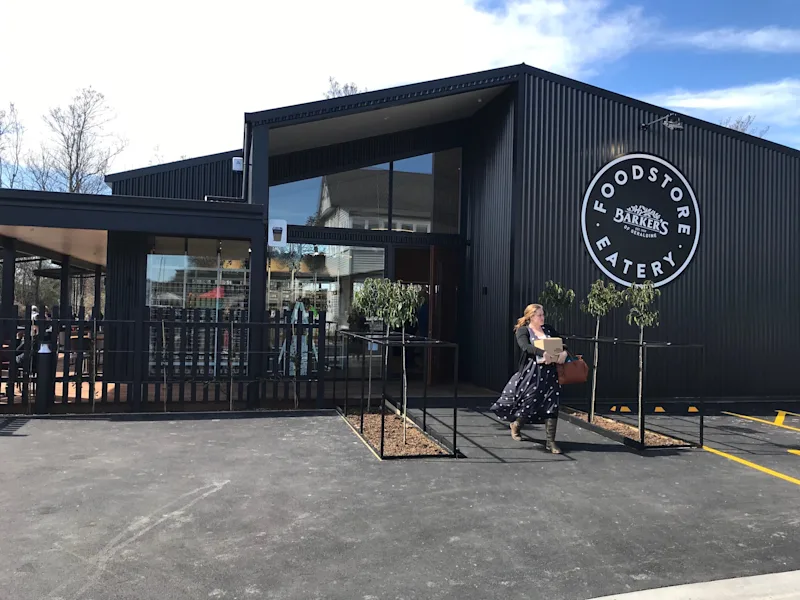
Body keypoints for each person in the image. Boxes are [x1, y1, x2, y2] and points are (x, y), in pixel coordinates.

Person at [491, 304, 568, 453]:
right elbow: (525, 346)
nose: (542, 317)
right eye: (539, 315)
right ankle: (516, 425)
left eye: (543, 314)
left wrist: (563, 352)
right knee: (530, 401)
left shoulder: (548, 329)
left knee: (552, 403)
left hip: (550, 373)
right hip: (532, 372)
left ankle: (550, 442)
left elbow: (561, 342)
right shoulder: (523, 330)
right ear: (531, 316)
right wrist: (542, 353)